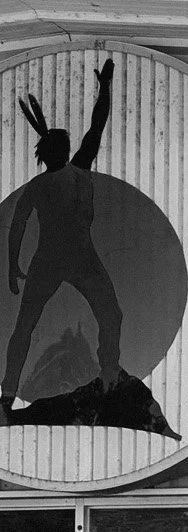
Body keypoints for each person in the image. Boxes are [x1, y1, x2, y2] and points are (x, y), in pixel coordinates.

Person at [6, 58, 121, 407]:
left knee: (28, 325)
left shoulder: (41, 184)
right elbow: (97, 125)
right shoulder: (76, 170)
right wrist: (105, 89)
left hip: (61, 259)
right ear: (62, 151)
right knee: (108, 315)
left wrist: (14, 264)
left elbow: (18, 226)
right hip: (69, 259)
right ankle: (108, 381)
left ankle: (8, 394)